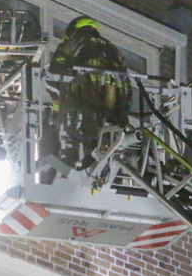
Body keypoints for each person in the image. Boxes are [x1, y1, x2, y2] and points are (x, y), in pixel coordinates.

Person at [46, 16, 132, 170]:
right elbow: (124, 79)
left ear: (74, 29)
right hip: (114, 103)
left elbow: (55, 74)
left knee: (81, 136)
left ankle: (79, 162)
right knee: (106, 139)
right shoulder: (113, 49)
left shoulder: (71, 43)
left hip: (85, 98)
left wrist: (57, 106)